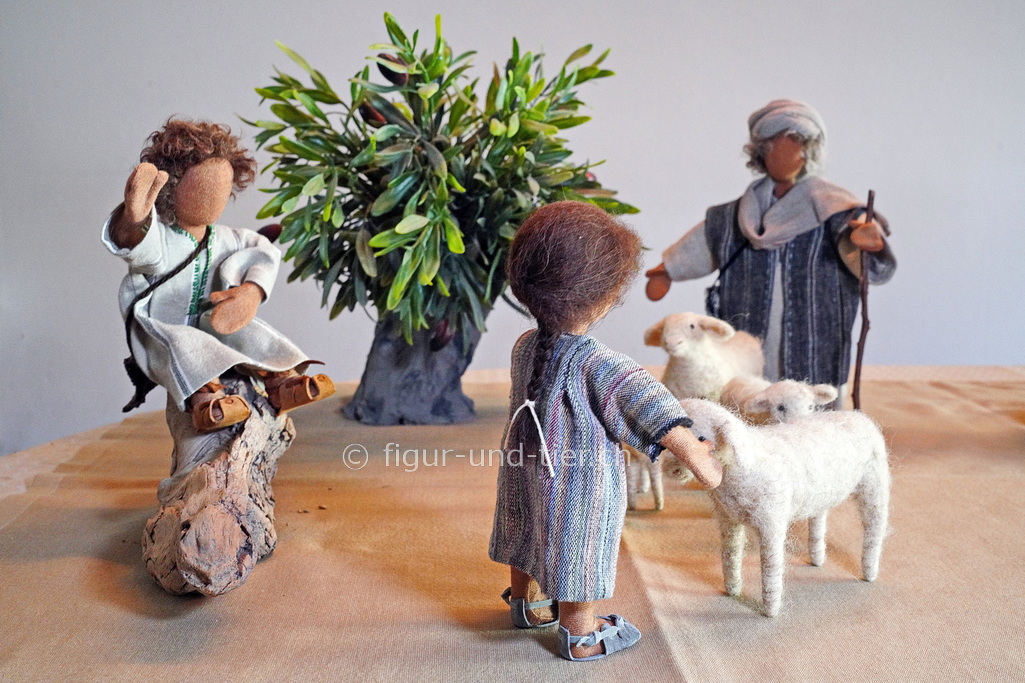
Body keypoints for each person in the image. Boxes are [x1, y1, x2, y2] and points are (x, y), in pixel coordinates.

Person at [488, 201, 721, 662]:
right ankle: (581, 635)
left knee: (525, 523)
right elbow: (652, 407)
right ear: (605, 297)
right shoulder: (599, 361)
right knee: (577, 544)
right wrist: (699, 456)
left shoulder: (524, 345)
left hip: (524, 464)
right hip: (578, 481)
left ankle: (526, 604)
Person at [645, 100, 896, 393]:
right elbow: (705, 242)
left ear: (810, 152)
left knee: (815, 396)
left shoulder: (837, 211)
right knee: (746, 391)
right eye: (774, 147)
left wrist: (872, 245)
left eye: (795, 145)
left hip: (815, 333)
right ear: (761, 153)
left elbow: (873, 269)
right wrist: (667, 270)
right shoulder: (734, 215)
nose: (785, 155)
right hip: (748, 328)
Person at [103, 119, 334, 433]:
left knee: (251, 330)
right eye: (202, 189)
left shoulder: (227, 238)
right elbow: (137, 245)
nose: (213, 198)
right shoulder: (163, 239)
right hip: (162, 332)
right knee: (187, 343)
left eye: (221, 190)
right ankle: (206, 400)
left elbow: (263, 251)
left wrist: (251, 290)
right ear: (171, 188)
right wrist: (135, 219)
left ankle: (282, 380)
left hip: (212, 321)